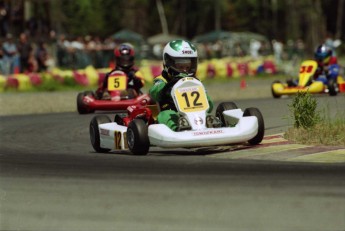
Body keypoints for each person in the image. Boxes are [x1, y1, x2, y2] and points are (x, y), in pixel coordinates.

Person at [149, 39, 219, 132]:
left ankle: (213, 125)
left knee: (206, 115)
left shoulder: (195, 82)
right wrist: (169, 86)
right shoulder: (162, 80)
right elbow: (154, 93)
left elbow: (209, 105)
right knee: (164, 115)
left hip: (196, 114)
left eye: (187, 67)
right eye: (180, 67)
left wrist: (204, 96)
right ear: (168, 62)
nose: (185, 70)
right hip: (173, 114)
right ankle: (178, 128)